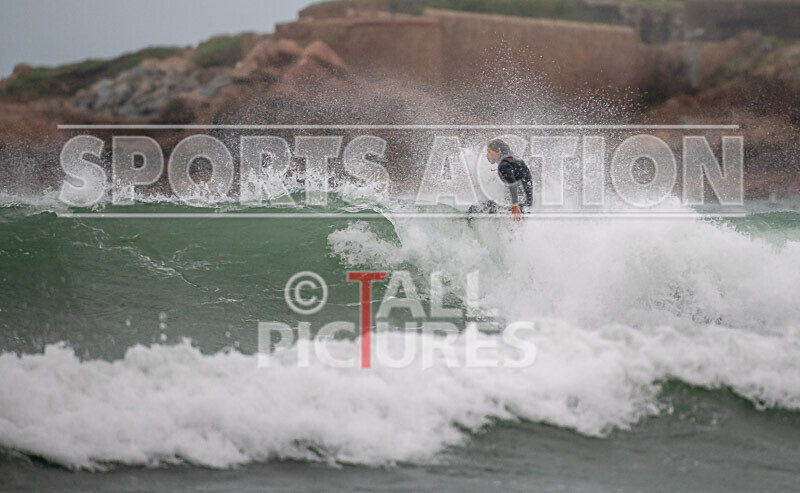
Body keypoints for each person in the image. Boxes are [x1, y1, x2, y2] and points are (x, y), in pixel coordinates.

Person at [484, 138, 533, 221]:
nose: (487, 155)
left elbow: (512, 183)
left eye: (489, 152)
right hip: (526, 205)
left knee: (479, 208)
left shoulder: (503, 164)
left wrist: (515, 205)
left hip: (517, 207)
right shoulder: (511, 157)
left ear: (498, 151)